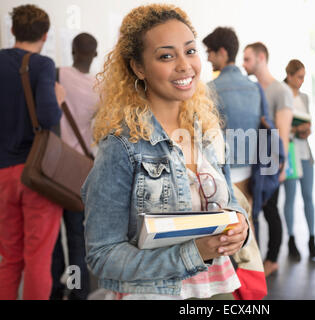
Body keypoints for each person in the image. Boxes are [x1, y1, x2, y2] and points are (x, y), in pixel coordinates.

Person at [81, 4, 250, 300]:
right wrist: (192, 254)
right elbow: (103, 255)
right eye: (166, 56)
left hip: (219, 290)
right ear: (139, 67)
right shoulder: (121, 145)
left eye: (190, 51)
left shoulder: (206, 130)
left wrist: (240, 227)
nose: (184, 65)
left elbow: (231, 203)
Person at [0, 4, 65, 300]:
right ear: (45, 35)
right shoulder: (42, 65)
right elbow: (49, 117)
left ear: (12, 30)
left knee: (10, 258)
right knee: (38, 258)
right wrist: (58, 98)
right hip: (36, 174)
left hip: (3, 174)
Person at [50, 32, 98, 300]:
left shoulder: (56, 75)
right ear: (95, 53)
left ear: (72, 50)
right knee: (78, 240)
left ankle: (55, 291)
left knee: (53, 239)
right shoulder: (99, 89)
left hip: (53, 167)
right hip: (80, 172)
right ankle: (79, 292)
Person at [243, 42, 293, 276]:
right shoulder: (250, 89)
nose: (244, 64)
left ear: (261, 58)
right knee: (254, 212)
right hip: (253, 161)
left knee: (271, 210)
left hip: (271, 160)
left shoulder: (280, 91)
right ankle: (255, 258)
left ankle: (272, 259)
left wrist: (280, 166)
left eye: (248, 59)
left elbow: (283, 131)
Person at [202, 27, 261, 213]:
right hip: (252, 169)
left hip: (225, 174)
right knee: (247, 226)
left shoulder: (210, 89)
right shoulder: (254, 88)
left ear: (222, 52)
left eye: (209, 52)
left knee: (232, 231)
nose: (208, 58)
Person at [282, 59, 315, 262]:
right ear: (289, 75)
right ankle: (291, 240)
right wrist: (295, 130)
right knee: (289, 198)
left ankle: (312, 240)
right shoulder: (281, 95)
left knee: (308, 197)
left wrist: (305, 130)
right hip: (289, 155)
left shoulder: (304, 97)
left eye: (304, 77)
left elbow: (308, 122)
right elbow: (278, 127)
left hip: (305, 154)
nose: (302, 81)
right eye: (299, 76)